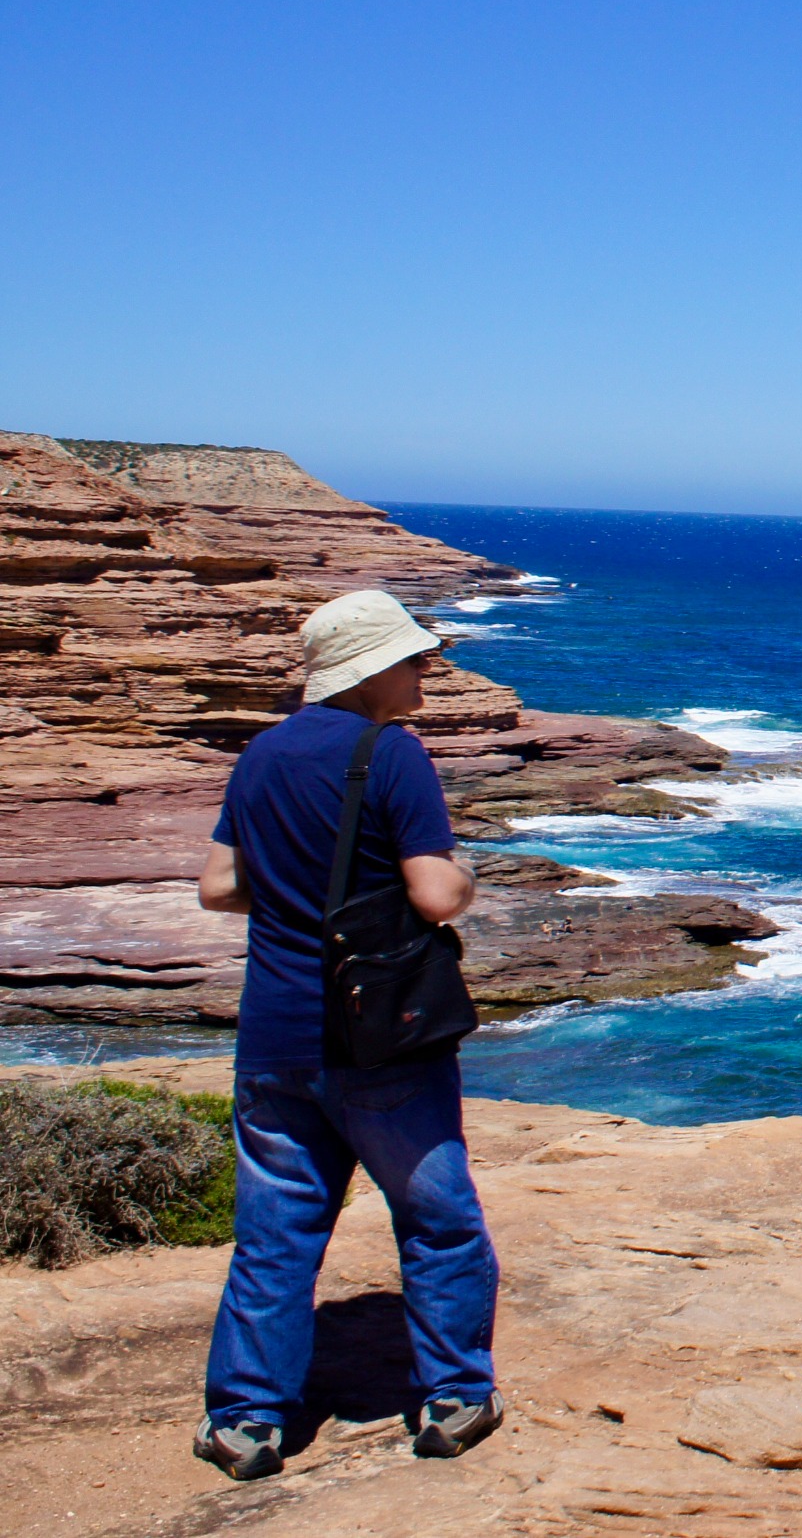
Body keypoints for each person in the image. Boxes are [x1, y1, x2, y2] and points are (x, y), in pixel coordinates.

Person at [191, 590, 503, 1482]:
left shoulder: (260, 755)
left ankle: (247, 1420)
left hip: (275, 1035)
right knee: (438, 1221)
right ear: (371, 672)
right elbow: (436, 895)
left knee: (275, 1232)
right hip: (382, 1039)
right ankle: (453, 1396)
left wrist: (299, 905)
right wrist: (464, 875)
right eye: (413, 661)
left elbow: (218, 887)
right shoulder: (390, 755)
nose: (424, 673)